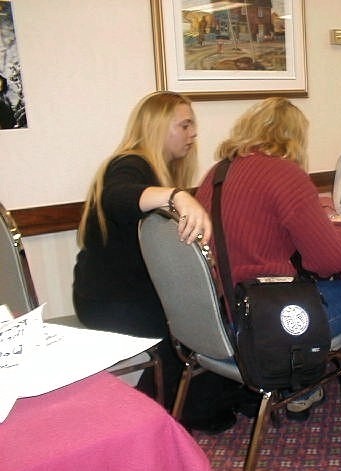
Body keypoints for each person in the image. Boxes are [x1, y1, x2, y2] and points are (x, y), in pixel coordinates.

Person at [195, 97, 341, 443]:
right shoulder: (285, 174)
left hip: (222, 314)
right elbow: (329, 261)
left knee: (301, 287)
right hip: (265, 324)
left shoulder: (217, 174)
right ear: (294, 138)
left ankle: (302, 391)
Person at [73, 91, 248, 434]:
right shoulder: (129, 164)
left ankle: (172, 405)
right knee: (198, 336)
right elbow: (116, 197)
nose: (193, 134)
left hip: (119, 295)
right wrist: (177, 196)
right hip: (112, 302)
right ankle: (144, 417)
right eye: (184, 125)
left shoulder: (153, 170)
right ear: (157, 127)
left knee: (201, 328)